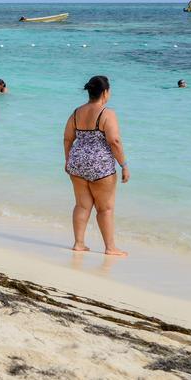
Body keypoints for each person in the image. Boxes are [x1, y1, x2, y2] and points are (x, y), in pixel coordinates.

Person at [63, 76, 129, 256]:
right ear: (105, 92)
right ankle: (110, 247)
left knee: (82, 205)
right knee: (105, 208)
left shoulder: (76, 112)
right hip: (101, 167)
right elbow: (114, 141)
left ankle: (79, 243)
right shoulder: (107, 113)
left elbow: (68, 138)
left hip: (77, 163)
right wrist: (124, 164)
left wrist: (68, 160)